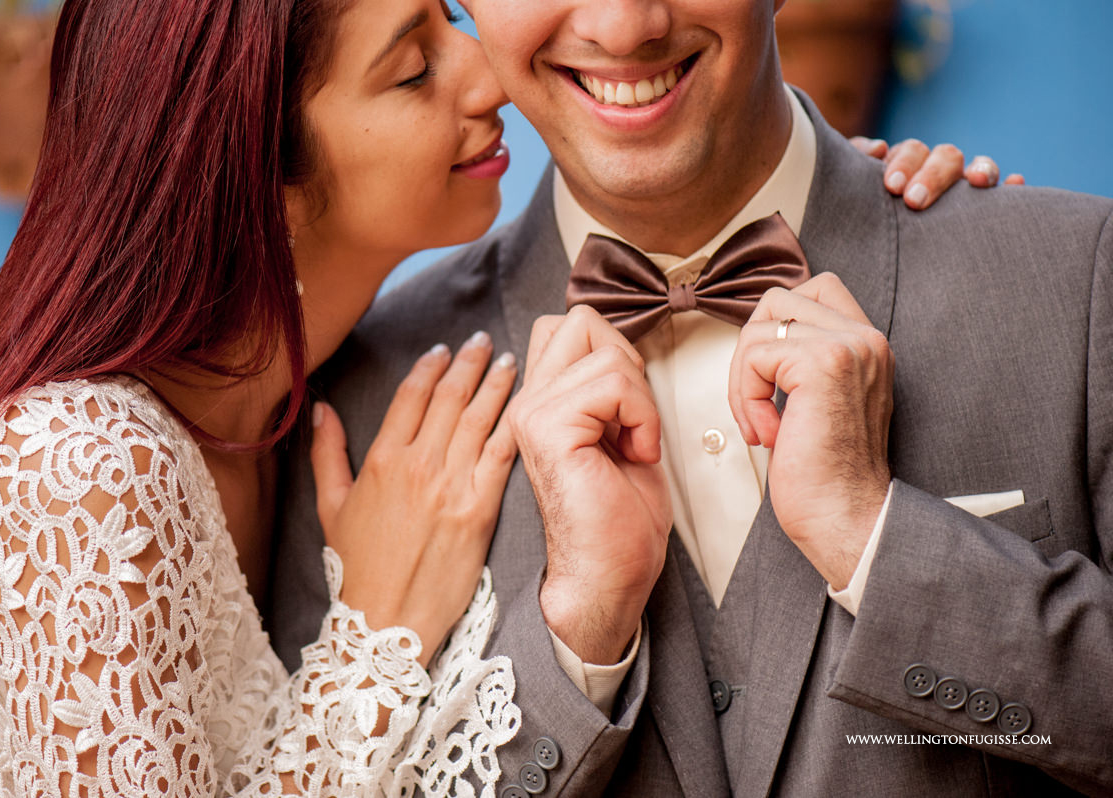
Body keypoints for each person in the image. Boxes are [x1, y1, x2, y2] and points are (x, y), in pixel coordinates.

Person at [270, 1, 1112, 796]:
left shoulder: (1074, 278)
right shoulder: (354, 405)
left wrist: (883, 545)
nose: (625, 24)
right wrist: (577, 633)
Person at [0, 0, 529, 793]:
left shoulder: (293, 416)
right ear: (259, 174)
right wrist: (379, 637)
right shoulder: (78, 470)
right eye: (413, 70)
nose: (493, 78)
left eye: (454, 18)